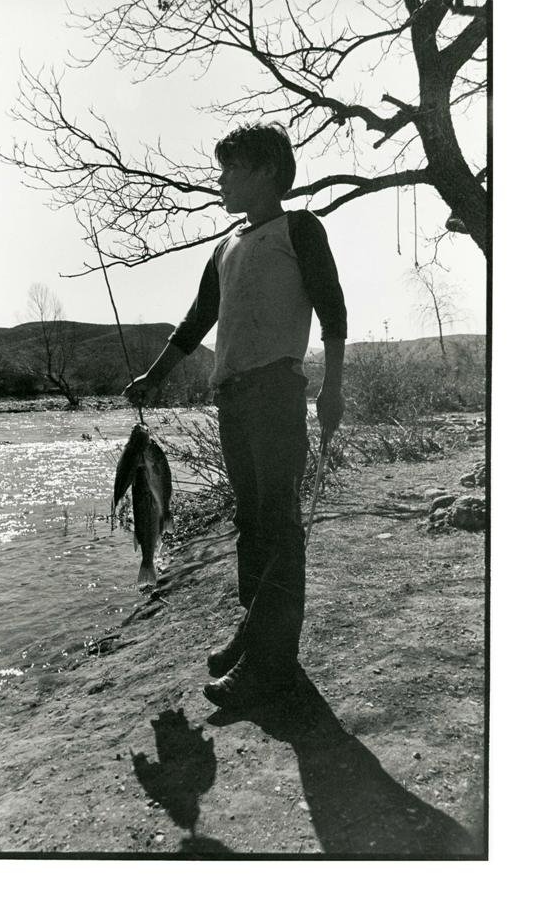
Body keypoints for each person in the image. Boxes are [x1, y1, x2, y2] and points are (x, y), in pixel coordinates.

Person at [124, 122, 347, 710]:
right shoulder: (225, 247)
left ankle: (272, 663)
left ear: (268, 171)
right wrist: (156, 376)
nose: (221, 180)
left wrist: (334, 385)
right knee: (250, 524)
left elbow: (334, 311)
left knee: (279, 524)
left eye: (232, 169)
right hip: (232, 399)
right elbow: (197, 319)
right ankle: (256, 637)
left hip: (277, 392)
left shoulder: (300, 229)